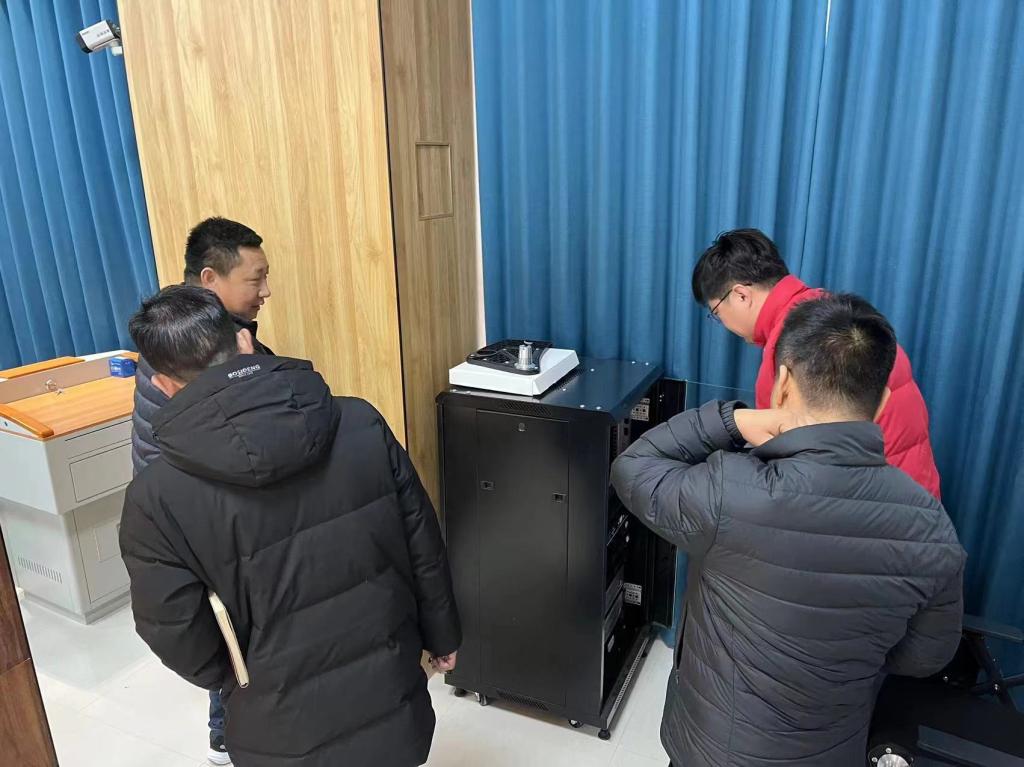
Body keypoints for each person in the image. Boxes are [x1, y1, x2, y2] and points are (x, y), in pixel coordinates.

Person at [611, 293, 965, 767]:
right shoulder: (932, 527)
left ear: (782, 383)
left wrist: (731, 419)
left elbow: (633, 468)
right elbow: (926, 656)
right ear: (882, 401)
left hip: (713, 752)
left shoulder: (731, 491)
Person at [120, 285, 461, 767]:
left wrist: (241, 675)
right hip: (390, 689)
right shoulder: (361, 422)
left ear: (163, 386)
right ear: (244, 342)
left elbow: (173, 629)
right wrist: (443, 636)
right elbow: (423, 544)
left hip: (276, 726)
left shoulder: (154, 497)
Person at [130, 217, 273, 764]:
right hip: (202, 521)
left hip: (216, 514)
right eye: (255, 279)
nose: (265, 291)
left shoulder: (215, 335)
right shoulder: (183, 350)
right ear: (210, 278)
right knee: (229, 630)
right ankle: (225, 736)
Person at [691, 228, 941, 498]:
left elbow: (785, 466)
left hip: (872, 502)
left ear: (741, 295)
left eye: (717, 313)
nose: (724, 324)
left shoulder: (789, 348)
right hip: (913, 492)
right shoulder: (831, 313)